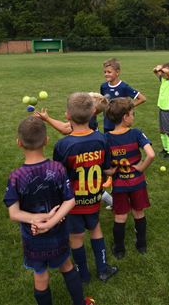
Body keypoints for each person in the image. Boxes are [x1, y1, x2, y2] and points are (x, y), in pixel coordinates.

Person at [4, 116, 95, 305]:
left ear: (19, 143)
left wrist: (38, 219)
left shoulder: (16, 176)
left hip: (33, 237)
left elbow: (14, 213)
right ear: (46, 140)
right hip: (58, 234)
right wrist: (49, 219)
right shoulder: (58, 168)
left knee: (40, 277)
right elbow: (70, 201)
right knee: (66, 265)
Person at [53, 92, 118, 283]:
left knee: (76, 237)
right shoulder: (101, 139)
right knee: (96, 229)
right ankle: (103, 269)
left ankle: (82, 274)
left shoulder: (63, 145)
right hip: (93, 197)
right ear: (93, 113)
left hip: (72, 202)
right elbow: (107, 170)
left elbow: (59, 176)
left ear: (67, 115)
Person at [35, 93, 113, 208]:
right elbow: (65, 126)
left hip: (83, 153)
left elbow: (64, 129)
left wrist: (47, 119)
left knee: (82, 183)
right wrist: (47, 118)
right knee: (92, 185)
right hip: (91, 153)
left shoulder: (89, 121)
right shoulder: (89, 118)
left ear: (93, 110)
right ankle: (113, 202)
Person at [104, 97, 155, 259]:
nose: (134, 117)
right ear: (125, 116)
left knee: (120, 216)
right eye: (133, 114)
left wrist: (111, 172)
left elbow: (108, 169)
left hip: (119, 184)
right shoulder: (136, 133)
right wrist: (140, 167)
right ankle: (141, 244)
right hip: (137, 182)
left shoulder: (106, 138)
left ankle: (119, 249)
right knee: (138, 213)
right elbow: (151, 155)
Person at [100, 58, 146, 132]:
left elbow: (142, 98)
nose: (106, 74)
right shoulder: (103, 86)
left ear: (117, 72)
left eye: (109, 72)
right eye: (105, 72)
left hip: (121, 124)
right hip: (107, 124)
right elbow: (103, 102)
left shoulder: (123, 87)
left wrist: (126, 107)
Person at [153, 63, 169, 159]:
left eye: (164, 72)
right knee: (162, 130)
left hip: (168, 111)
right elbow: (154, 71)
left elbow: (168, 73)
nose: (162, 73)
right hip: (161, 109)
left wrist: (162, 68)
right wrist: (158, 68)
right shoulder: (164, 79)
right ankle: (165, 148)